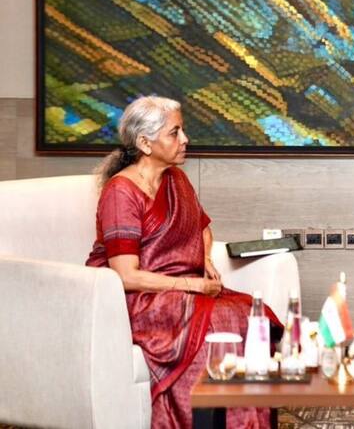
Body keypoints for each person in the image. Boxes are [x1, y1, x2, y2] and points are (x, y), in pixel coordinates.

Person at [86, 96, 282, 429]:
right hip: (137, 300)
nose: (185, 140)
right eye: (175, 133)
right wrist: (192, 284)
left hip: (181, 291)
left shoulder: (176, 179)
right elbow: (125, 275)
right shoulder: (121, 193)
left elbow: (203, 227)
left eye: (182, 131)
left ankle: (248, 420)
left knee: (250, 314)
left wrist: (203, 257)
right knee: (219, 319)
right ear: (145, 143)